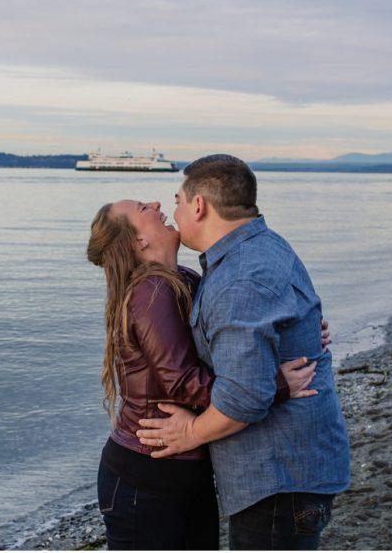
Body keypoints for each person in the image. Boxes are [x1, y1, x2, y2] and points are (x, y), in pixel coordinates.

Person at [87, 199, 331, 550]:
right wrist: (275, 385)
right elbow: (181, 382)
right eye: (143, 207)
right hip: (147, 475)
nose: (156, 203)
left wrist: (299, 333)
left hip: (185, 469)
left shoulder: (183, 279)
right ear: (136, 242)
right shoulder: (151, 291)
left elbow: (234, 336)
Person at [135, 154, 351, 550]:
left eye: (178, 200)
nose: (175, 211)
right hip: (297, 467)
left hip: (277, 476)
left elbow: (245, 397)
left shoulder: (239, 279)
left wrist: (189, 434)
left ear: (199, 206)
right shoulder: (261, 247)